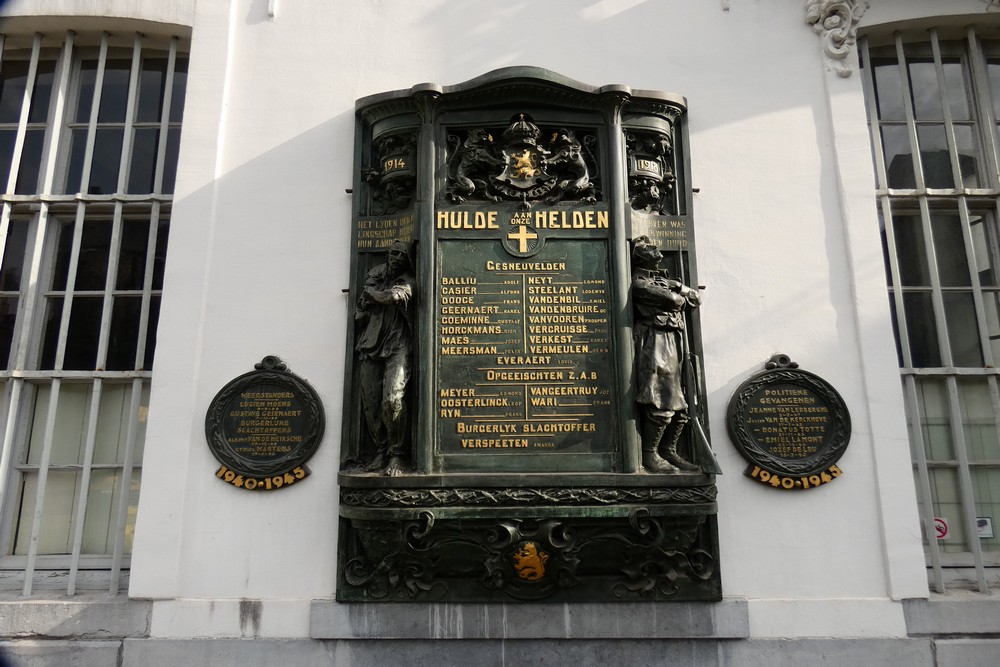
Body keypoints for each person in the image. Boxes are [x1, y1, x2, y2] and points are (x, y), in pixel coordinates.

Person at [631, 236, 701, 473]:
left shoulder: (664, 280)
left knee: (683, 401)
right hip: (656, 340)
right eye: (649, 249)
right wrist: (676, 291)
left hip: (676, 340)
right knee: (661, 397)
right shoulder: (640, 283)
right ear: (640, 257)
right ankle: (650, 455)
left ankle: (669, 450)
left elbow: (695, 298)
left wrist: (678, 286)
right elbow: (674, 300)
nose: (656, 251)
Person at [355, 240, 415, 476]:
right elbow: (361, 306)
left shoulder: (409, 279)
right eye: (393, 253)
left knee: (392, 399)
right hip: (371, 344)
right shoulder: (376, 274)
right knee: (370, 403)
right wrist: (370, 297)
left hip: (398, 345)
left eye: (401, 254)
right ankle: (381, 451)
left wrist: (374, 295)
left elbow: (394, 296)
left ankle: (397, 455)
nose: (396, 257)